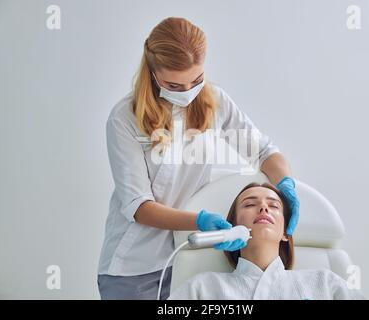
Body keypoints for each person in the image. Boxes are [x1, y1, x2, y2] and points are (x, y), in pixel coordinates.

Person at [97, 16, 299, 300]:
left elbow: (265, 152)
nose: (189, 92)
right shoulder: (124, 120)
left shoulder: (215, 101)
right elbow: (139, 207)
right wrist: (201, 221)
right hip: (136, 266)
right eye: (175, 86)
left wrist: (286, 184)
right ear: (153, 72)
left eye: (197, 79)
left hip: (188, 257)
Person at [168, 183, 365, 300]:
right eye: (250, 204)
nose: (263, 207)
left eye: (274, 206)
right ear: (232, 226)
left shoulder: (325, 283)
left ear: (285, 233)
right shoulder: (203, 288)